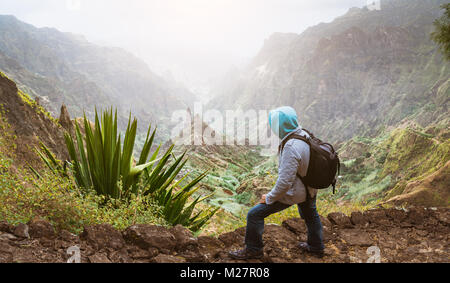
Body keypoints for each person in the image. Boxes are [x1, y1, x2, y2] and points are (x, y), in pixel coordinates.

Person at [229, 106, 325, 260]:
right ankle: (316, 247)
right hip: (310, 187)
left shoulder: (290, 147)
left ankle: (253, 249)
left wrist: (269, 197)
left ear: (279, 126)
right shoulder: (304, 134)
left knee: (254, 214)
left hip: (296, 192)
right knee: (311, 214)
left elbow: (285, 182)